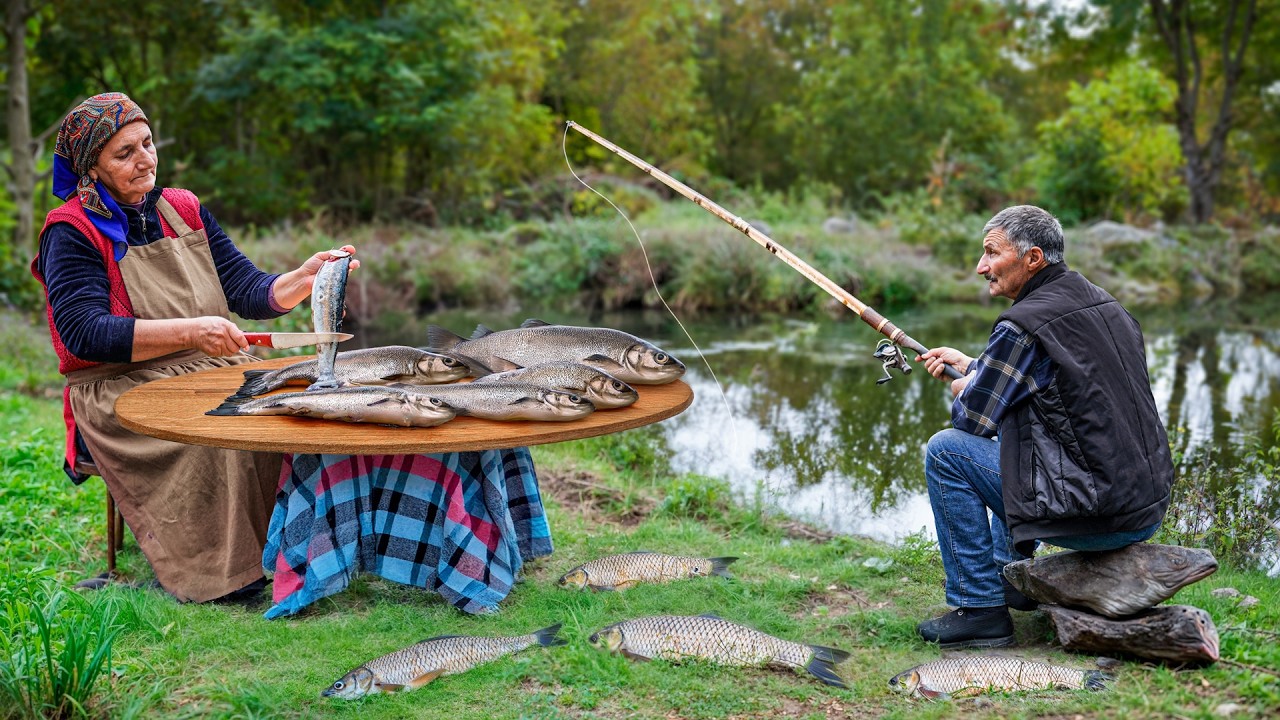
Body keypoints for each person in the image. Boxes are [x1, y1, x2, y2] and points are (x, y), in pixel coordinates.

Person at [33, 93, 552, 612]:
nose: (144, 159)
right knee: (226, 439)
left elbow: (247, 291)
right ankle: (224, 575)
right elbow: (84, 331)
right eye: (124, 153)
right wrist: (191, 332)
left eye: (147, 144)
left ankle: (320, 545)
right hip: (124, 388)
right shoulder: (71, 231)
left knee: (306, 414)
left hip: (210, 365)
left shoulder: (182, 208)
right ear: (91, 168)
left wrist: (301, 280)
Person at [912, 205, 1172, 648]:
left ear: (1032, 258)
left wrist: (965, 389)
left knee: (947, 451)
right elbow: (1055, 382)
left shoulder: (1021, 325)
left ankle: (980, 610)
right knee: (1019, 435)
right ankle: (1008, 575)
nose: (981, 267)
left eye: (991, 253)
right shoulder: (1103, 303)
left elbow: (974, 421)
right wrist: (975, 366)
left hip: (1096, 517)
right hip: (1142, 507)